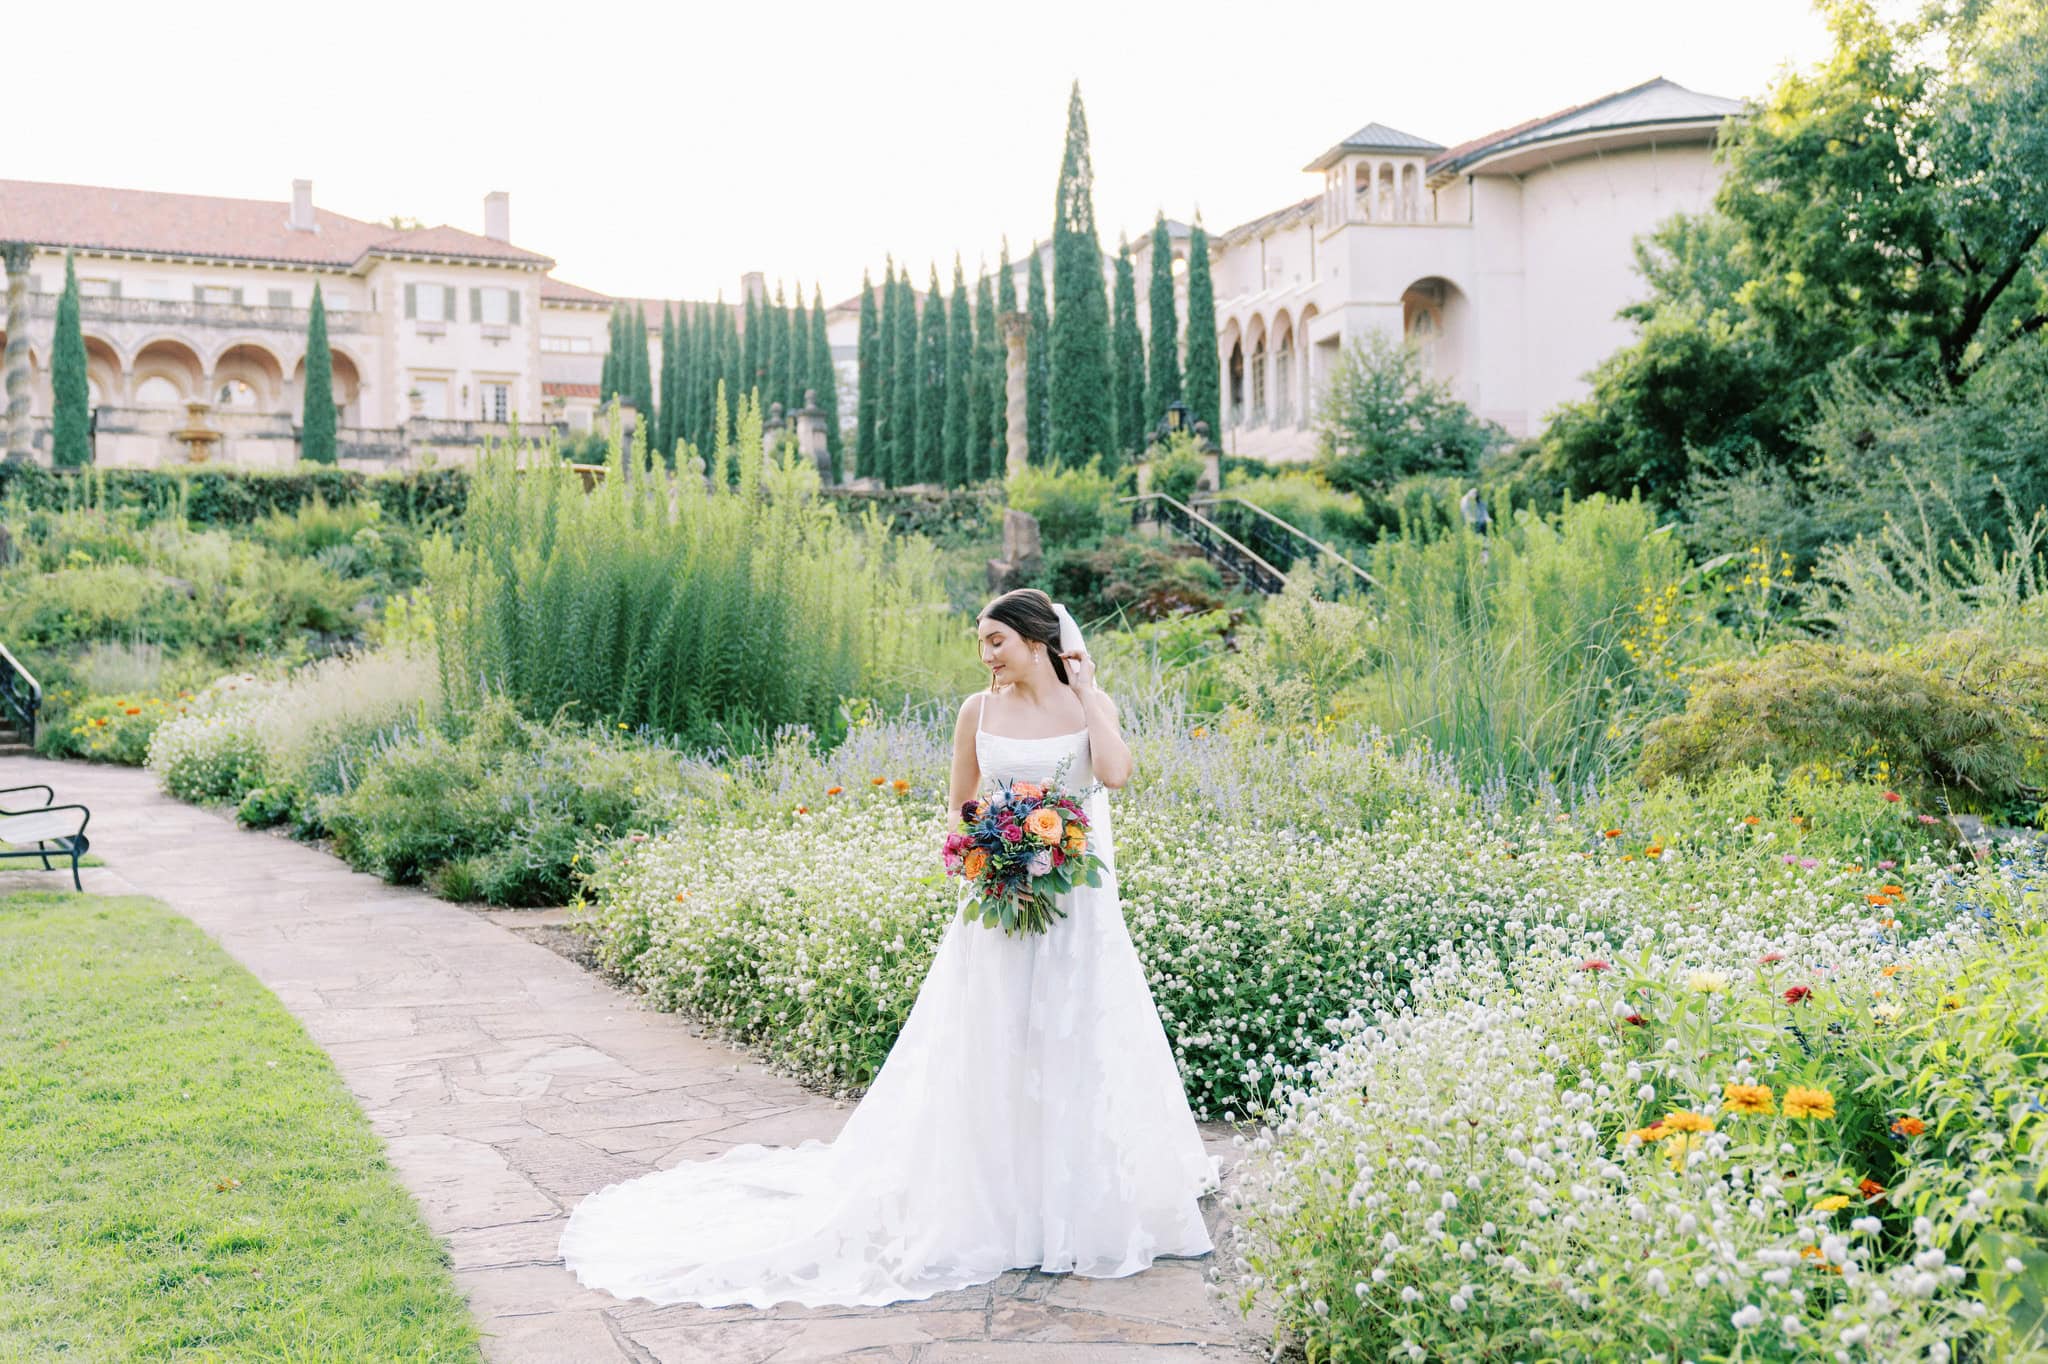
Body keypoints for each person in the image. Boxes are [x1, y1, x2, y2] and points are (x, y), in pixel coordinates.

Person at [559, 587, 1218, 1308]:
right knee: (993, 1036)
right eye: (980, 641)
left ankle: (1073, 1198)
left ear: (1037, 641)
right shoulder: (978, 711)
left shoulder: (1091, 706)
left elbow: (1115, 775)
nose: (985, 653)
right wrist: (1001, 846)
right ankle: (993, 1196)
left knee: (1074, 1033)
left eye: (996, 639)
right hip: (998, 899)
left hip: (1077, 907)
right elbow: (960, 804)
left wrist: (1089, 695)